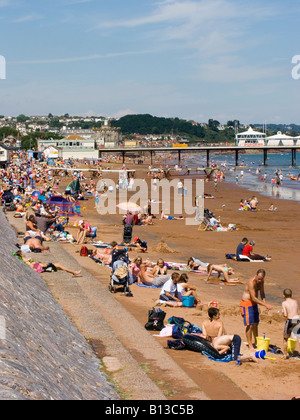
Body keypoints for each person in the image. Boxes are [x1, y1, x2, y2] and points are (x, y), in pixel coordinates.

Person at [240, 269, 273, 351]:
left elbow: (262, 293)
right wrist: (265, 304)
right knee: (249, 325)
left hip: (254, 304)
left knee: (256, 323)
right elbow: (253, 297)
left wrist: (265, 303)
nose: (259, 280)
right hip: (247, 303)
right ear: (256, 275)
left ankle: (256, 342)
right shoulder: (251, 282)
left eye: (261, 279)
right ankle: (250, 345)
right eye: (258, 278)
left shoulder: (261, 282)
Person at [16, 251, 81, 276]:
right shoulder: (24, 259)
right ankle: (74, 272)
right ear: (21, 254)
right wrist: (41, 265)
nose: (24, 253)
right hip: (42, 267)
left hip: (41, 266)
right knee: (59, 265)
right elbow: (31, 266)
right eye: (22, 252)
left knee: (59, 266)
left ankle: (73, 272)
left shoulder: (24, 259)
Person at [282, 288, 299, 359]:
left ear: (283, 295)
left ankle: (285, 355)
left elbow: (285, 314)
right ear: (292, 295)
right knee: (298, 337)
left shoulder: (284, 303)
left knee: (285, 338)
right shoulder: (295, 301)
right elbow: (298, 312)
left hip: (290, 320)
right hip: (297, 319)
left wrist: (283, 313)